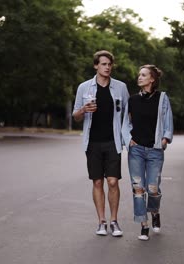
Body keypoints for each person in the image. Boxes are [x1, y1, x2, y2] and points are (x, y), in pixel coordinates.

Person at [72, 50, 129, 237]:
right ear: (96, 65)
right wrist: (83, 109)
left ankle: (114, 221)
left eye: (109, 64)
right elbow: (76, 116)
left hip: (113, 141)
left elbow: (128, 115)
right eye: (103, 64)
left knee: (113, 181)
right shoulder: (84, 88)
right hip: (93, 142)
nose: (107, 67)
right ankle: (101, 222)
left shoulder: (120, 87)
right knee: (97, 182)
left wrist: (128, 138)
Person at [122, 64, 173, 241]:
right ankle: (143, 225)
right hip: (136, 150)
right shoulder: (133, 100)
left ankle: (155, 212)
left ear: (152, 79)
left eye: (143, 75)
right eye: (139, 74)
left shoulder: (162, 98)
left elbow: (168, 121)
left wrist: (166, 138)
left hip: (155, 151)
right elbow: (126, 123)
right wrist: (128, 139)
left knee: (152, 188)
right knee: (138, 188)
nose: (139, 77)